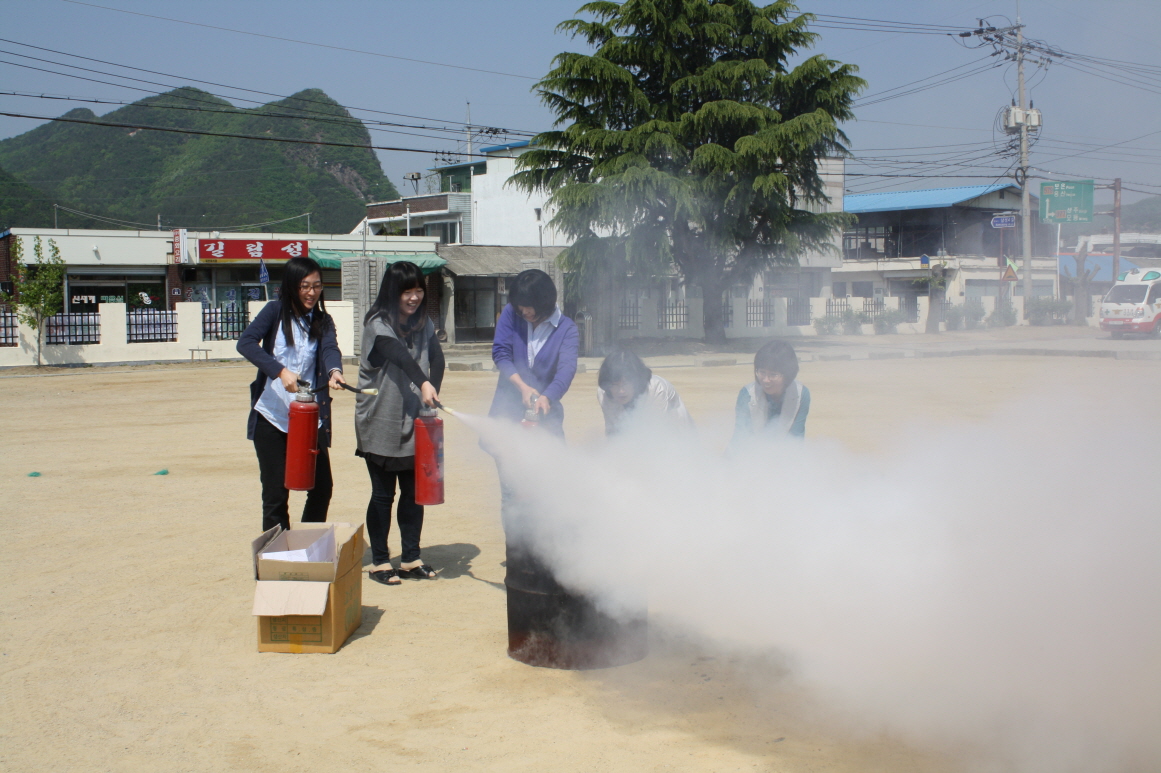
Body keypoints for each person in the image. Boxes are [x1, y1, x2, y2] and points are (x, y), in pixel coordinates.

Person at [237, 256, 346, 532]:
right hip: (272, 417)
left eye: (317, 286)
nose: (311, 292)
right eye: (305, 286)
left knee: (322, 488)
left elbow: (330, 349)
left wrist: (334, 371)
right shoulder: (274, 311)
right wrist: (279, 371)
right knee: (275, 495)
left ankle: (307, 547)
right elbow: (246, 343)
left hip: (309, 417)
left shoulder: (323, 320)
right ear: (291, 286)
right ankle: (278, 557)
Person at [354, 262, 445, 586]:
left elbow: (436, 357)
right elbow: (399, 356)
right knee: (382, 494)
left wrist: (432, 389)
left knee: (413, 492)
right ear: (393, 292)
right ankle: (379, 561)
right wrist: (423, 384)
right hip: (380, 418)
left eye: (419, 290)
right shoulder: (377, 324)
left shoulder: (424, 323)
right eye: (408, 291)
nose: (414, 297)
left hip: (415, 420)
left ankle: (410, 558)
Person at [488, 269, 579, 437]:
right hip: (506, 409)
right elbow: (501, 353)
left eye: (528, 307)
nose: (524, 312)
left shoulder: (567, 329)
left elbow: (566, 370)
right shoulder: (511, 313)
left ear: (545, 301)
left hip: (545, 413)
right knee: (506, 458)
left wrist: (547, 397)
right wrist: (522, 386)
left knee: (547, 460)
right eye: (519, 307)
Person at [730, 339, 810, 445]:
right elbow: (741, 435)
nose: (766, 380)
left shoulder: (801, 395)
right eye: (762, 372)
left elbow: (796, 438)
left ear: (788, 374)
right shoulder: (747, 394)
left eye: (773, 374)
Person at [596, 347, 692, 435]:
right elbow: (613, 431)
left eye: (625, 384)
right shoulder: (603, 394)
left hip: (675, 429)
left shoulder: (656, 389)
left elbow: (657, 432)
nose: (621, 391)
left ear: (637, 380)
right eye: (614, 385)